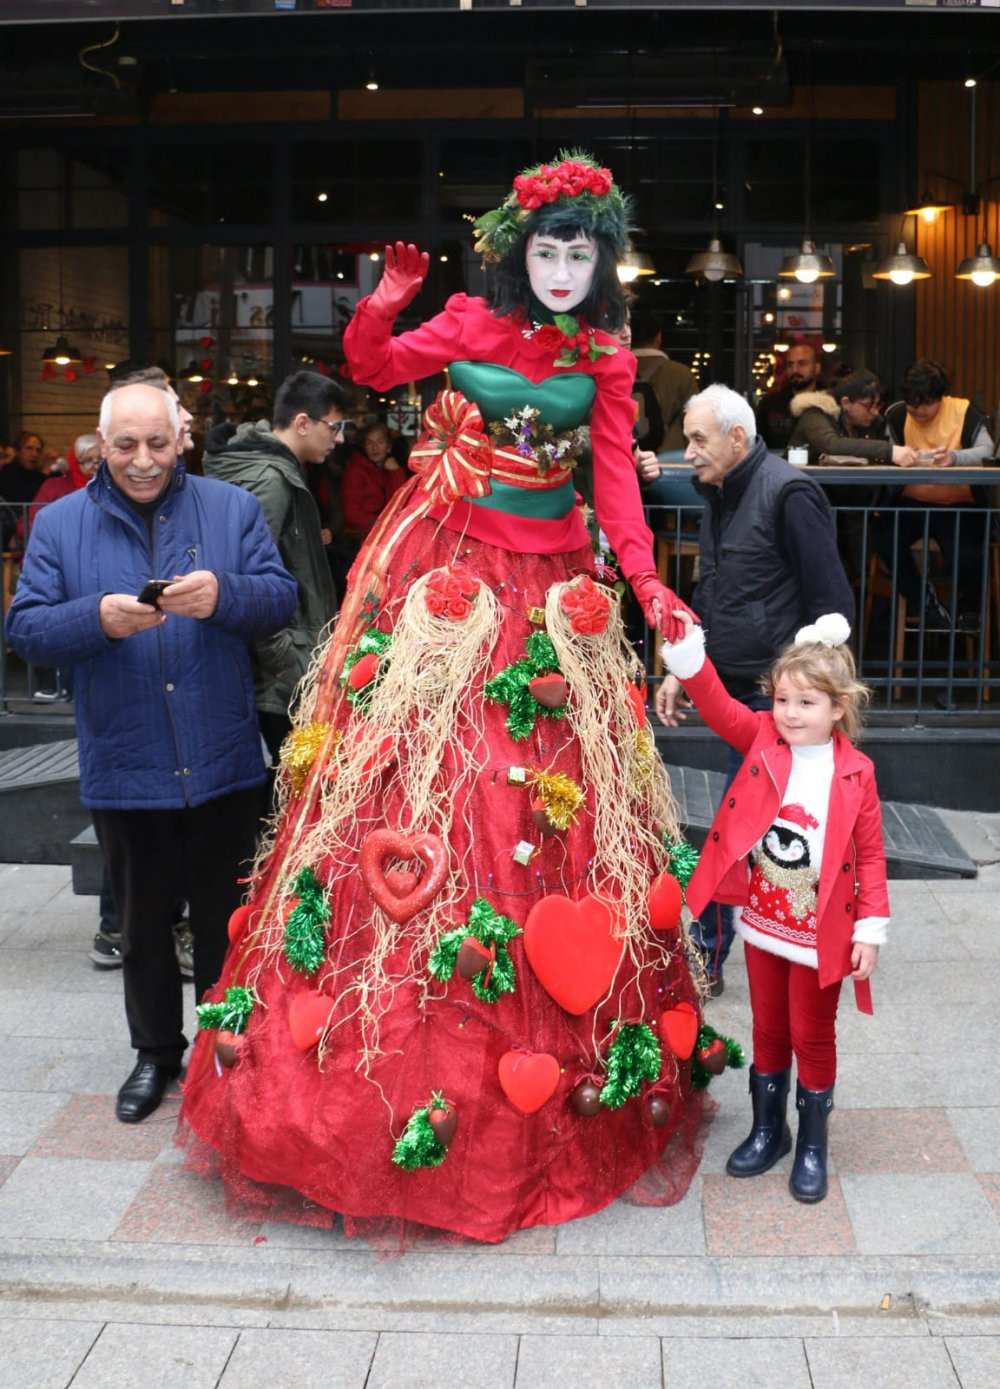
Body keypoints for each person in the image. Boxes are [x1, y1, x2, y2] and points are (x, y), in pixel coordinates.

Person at [180, 152, 710, 1246]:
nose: (563, 270)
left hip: (553, 586)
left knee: (540, 810)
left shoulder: (606, 356)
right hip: (451, 576)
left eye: (582, 252)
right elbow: (373, 368)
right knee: (424, 789)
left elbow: (612, 481)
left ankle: (528, 1074)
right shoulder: (470, 322)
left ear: (602, 261)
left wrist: (649, 585)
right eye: (547, 250)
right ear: (520, 255)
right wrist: (380, 303)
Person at [6, 383, 297, 1124]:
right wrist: (95, 617)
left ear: (182, 440)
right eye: (126, 445)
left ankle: (226, 1046)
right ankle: (155, 1053)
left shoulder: (229, 509)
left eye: (157, 444)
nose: (143, 460)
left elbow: (280, 597)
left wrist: (224, 596)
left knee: (226, 921)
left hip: (223, 756)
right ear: (101, 444)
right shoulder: (60, 521)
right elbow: (27, 628)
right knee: (140, 926)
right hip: (125, 759)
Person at [659, 611, 889, 1202]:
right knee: (767, 1029)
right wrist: (688, 657)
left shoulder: (856, 774)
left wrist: (870, 929)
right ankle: (770, 1131)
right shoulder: (763, 738)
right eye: (782, 699)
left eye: (806, 703)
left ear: (838, 708)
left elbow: (869, 859)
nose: (789, 713)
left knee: (812, 1036)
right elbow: (716, 703)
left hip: (820, 935)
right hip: (763, 924)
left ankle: (812, 1142)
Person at [656, 384, 855, 996]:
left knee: (736, 832)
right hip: (740, 688)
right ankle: (722, 954)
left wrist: (800, 705)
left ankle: (711, 959)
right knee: (736, 832)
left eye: (698, 439)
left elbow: (833, 608)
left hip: (776, 703)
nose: (687, 452)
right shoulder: (724, 491)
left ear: (736, 438)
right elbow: (719, 593)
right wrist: (684, 669)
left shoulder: (788, 493)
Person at [202, 370, 344, 766]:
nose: (339, 438)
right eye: (334, 427)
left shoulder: (272, 469)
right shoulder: (270, 479)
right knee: (294, 789)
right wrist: (287, 657)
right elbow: (244, 579)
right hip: (283, 669)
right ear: (302, 423)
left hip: (287, 658)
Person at [875, 359, 994, 634]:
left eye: (924, 403)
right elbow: (886, 451)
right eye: (910, 403)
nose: (916, 410)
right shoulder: (896, 415)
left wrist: (955, 457)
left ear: (941, 397)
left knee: (967, 552)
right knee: (884, 538)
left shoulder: (965, 412)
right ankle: (923, 603)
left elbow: (988, 451)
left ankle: (971, 610)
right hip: (911, 500)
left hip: (959, 503)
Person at [787, 369, 918, 467]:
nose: (875, 412)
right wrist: (889, 451)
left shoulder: (871, 424)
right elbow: (832, 445)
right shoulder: (814, 415)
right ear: (846, 403)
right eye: (869, 406)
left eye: (878, 405)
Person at [340, 420, 411, 557]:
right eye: (369, 443)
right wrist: (381, 524)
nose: (375, 447)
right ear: (363, 446)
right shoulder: (355, 471)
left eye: (380, 442)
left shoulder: (388, 468)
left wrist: (396, 473)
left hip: (382, 534)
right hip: (360, 536)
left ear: (388, 447)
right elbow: (351, 514)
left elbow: (399, 502)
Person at [630, 307, 696, 452]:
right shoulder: (681, 374)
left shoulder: (615, 372)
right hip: (669, 458)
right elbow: (695, 423)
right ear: (658, 337)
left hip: (624, 456)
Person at [755, 342, 822, 453]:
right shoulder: (770, 404)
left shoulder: (829, 404)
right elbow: (758, 444)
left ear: (817, 368)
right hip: (777, 465)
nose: (795, 370)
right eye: (790, 364)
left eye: (802, 364)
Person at [0, 430, 45, 548]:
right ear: (18, 451)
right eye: (29, 448)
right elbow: (26, 498)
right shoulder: (6, 472)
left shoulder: (39, 475)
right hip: (11, 529)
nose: (34, 454)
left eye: (38, 450)